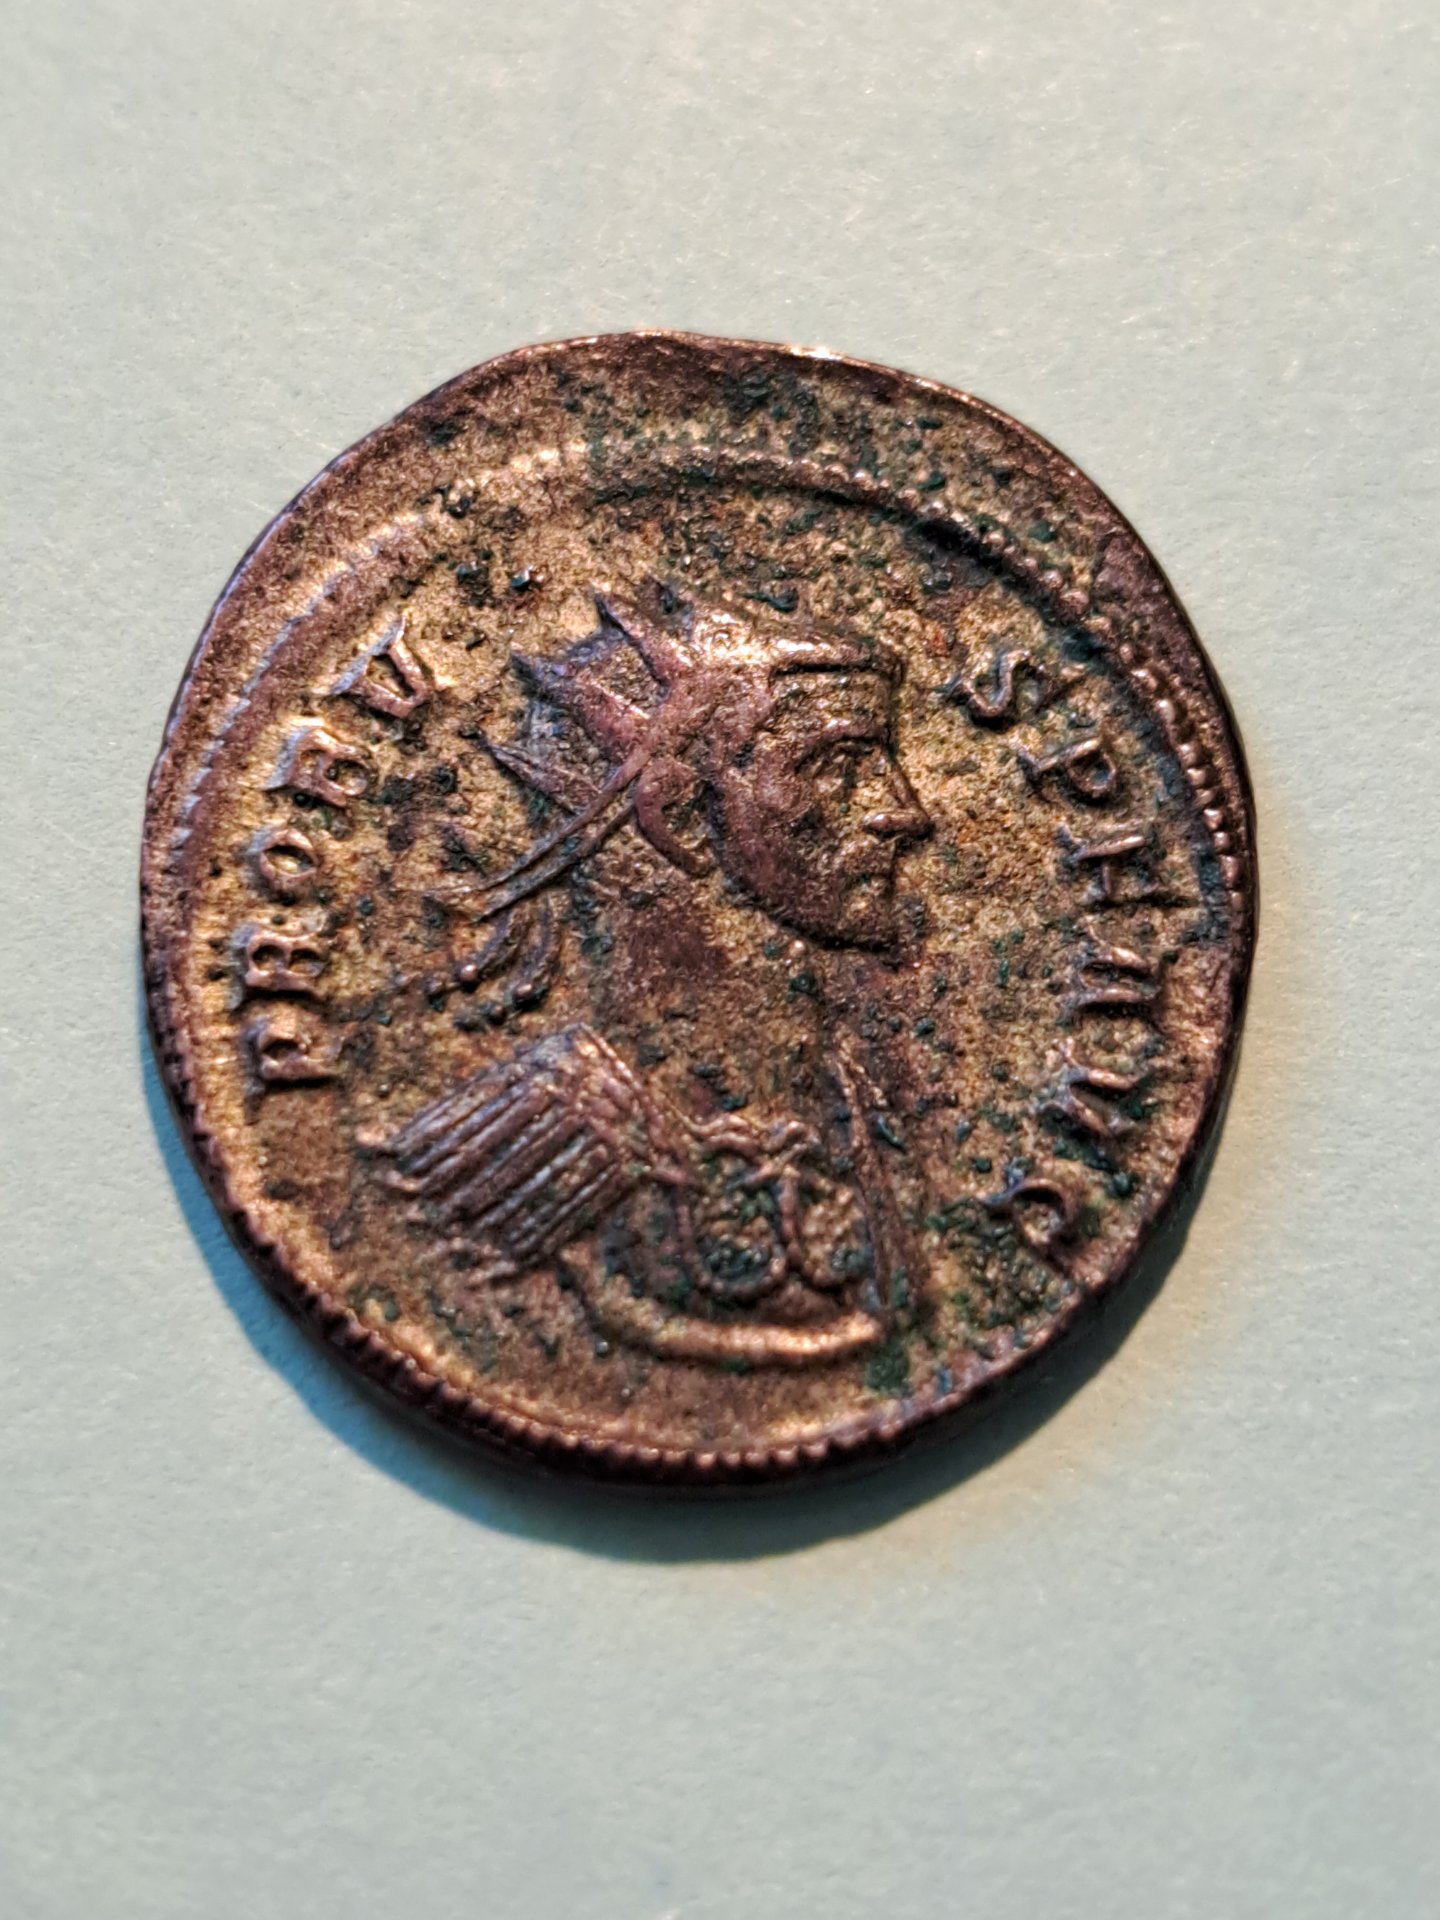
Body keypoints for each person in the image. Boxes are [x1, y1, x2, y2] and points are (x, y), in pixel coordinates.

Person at [373, 585, 933, 1366]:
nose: (906, 811)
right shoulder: (527, 1155)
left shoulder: (855, 1101)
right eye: (840, 765)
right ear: (678, 815)